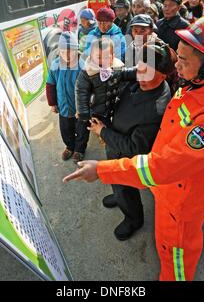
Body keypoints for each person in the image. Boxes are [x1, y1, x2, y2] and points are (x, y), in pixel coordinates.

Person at [63, 15, 204, 281]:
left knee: (175, 264)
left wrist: (102, 170)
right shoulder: (197, 85)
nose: (178, 67)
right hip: (165, 191)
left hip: (179, 207)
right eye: (178, 58)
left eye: (183, 61)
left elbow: (162, 166)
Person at [88, 41, 175, 241]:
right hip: (114, 143)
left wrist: (102, 132)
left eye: (148, 74)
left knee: (126, 187)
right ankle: (118, 196)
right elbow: (128, 72)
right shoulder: (145, 74)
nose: (141, 76)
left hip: (125, 156)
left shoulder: (156, 109)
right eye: (140, 69)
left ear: (163, 76)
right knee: (115, 182)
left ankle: (134, 219)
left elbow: (135, 148)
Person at [46, 32, 89, 163]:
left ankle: (79, 150)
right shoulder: (56, 64)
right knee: (65, 129)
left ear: (77, 50)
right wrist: (52, 103)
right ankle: (70, 146)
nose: (67, 55)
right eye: (63, 51)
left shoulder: (82, 67)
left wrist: (82, 109)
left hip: (79, 109)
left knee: (82, 130)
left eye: (71, 51)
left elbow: (87, 90)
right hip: (63, 106)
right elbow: (50, 84)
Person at [76, 37, 136, 130]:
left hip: (112, 107)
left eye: (107, 57)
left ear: (113, 56)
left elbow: (126, 73)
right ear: (91, 57)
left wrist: (137, 71)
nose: (103, 61)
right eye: (98, 57)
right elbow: (81, 91)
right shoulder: (88, 72)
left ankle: (104, 139)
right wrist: (83, 112)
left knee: (107, 129)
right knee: (85, 130)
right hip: (96, 110)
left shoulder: (116, 67)